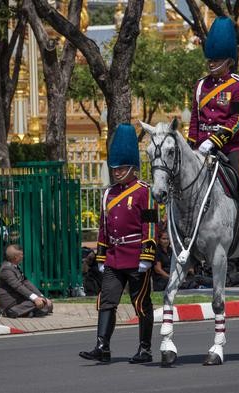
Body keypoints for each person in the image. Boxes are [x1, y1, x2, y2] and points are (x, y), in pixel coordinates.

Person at [79, 123, 158, 364]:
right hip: (114, 256)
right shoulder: (108, 193)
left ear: (132, 167)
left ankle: (144, 349)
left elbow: (151, 226)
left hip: (136, 256)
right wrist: (101, 258)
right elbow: (104, 228)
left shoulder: (146, 192)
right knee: (107, 301)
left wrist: (147, 255)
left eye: (121, 167)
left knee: (141, 304)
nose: (116, 172)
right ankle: (102, 346)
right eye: (113, 167)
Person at [187, 16, 239, 248]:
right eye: (210, 59)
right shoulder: (201, 85)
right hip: (201, 146)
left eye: (217, 59)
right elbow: (195, 118)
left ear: (228, 60)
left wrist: (214, 140)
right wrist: (193, 145)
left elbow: (237, 120)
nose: (212, 64)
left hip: (231, 146)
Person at [0, 244, 53, 318]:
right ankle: (12, 311)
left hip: (20, 300)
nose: (23, 256)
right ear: (15, 257)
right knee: (43, 304)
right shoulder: (6, 269)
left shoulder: (15, 267)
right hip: (10, 303)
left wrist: (41, 296)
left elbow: (27, 283)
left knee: (48, 305)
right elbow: (18, 286)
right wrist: (35, 298)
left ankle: (27, 312)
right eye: (21, 255)